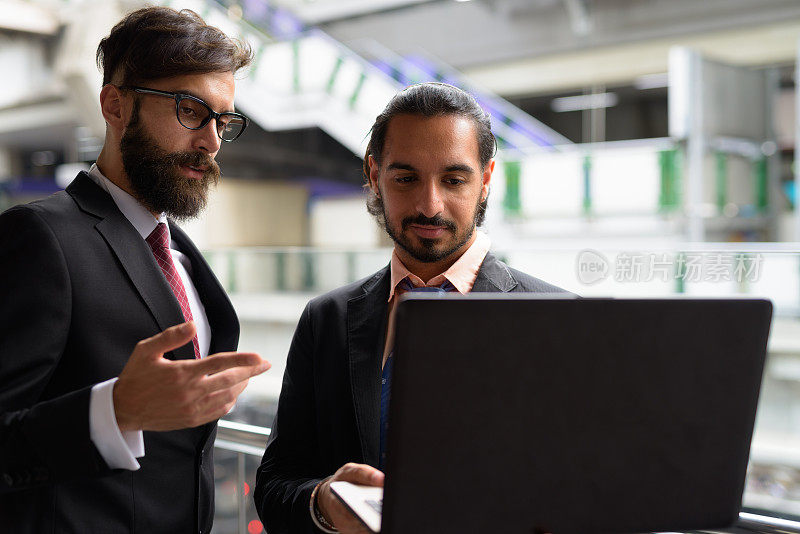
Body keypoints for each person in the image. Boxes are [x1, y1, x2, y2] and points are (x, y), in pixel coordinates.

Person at [0, 7, 270, 533]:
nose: (212, 141)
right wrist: (114, 412)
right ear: (115, 104)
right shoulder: (38, 237)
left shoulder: (183, 254)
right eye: (191, 111)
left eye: (223, 120)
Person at [253, 83, 565, 533]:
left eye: (454, 180)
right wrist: (322, 503)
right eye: (406, 178)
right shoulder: (327, 320)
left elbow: (595, 492)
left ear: (487, 179)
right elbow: (275, 484)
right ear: (374, 174)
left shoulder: (558, 319)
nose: (429, 205)